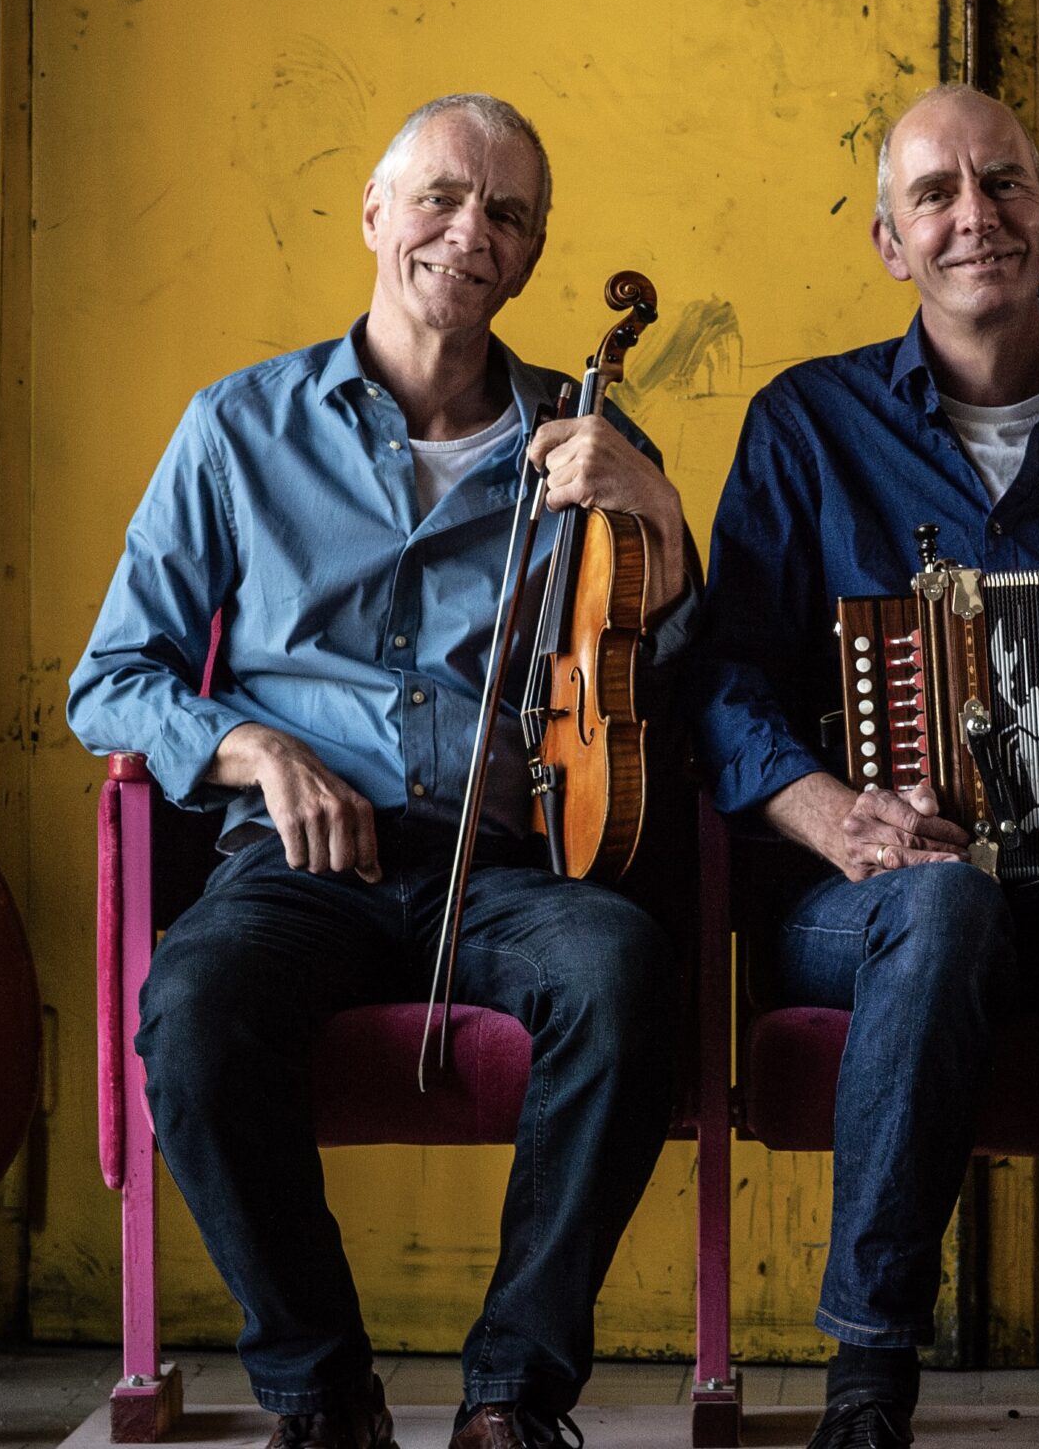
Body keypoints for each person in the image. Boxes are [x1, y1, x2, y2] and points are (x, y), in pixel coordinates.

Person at [68, 93, 699, 1449]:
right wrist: (251, 746)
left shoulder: (587, 441)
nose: (470, 232)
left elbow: (679, 680)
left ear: (531, 256)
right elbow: (112, 676)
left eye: (507, 214)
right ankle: (320, 1390)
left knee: (624, 974)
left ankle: (511, 1395)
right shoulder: (237, 428)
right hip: (299, 866)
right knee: (193, 1010)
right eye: (441, 198)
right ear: (374, 213)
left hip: (510, 867)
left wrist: (660, 517)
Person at [689, 85, 1039, 1449]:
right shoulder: (807, 425)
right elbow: (719, 679)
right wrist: (831, 813)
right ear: (891, 241)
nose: (975, 217)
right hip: (869, 897)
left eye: (1003, 185)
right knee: (943, 903)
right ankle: (867, 1376)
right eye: (935, 194)